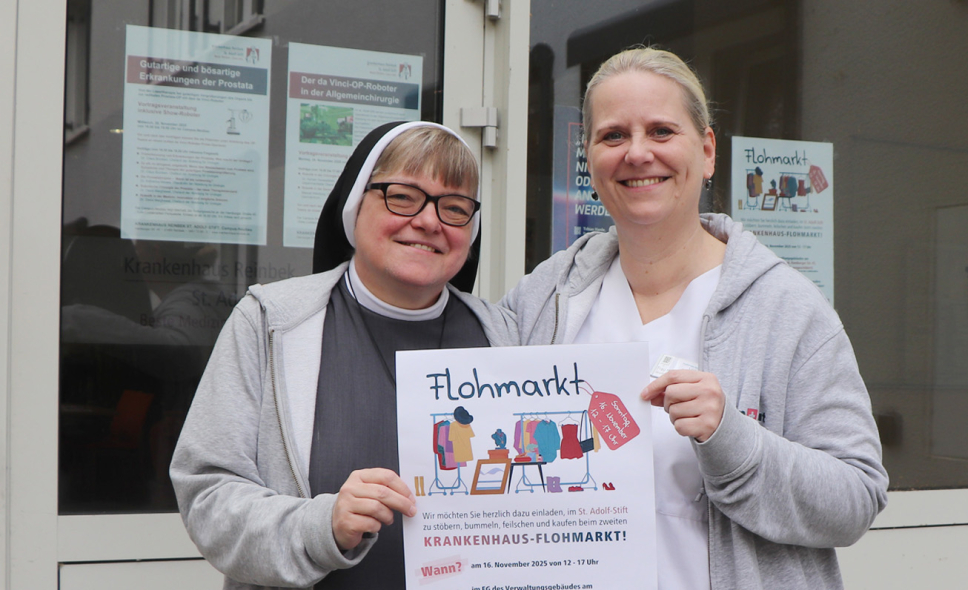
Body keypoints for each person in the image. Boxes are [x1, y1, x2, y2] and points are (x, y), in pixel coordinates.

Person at [500, 48, 888, 590]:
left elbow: (856, 499)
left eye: (661, 131)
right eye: (613, 136)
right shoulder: (544, 298)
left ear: (707, 152)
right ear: (588, 158)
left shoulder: (787, 310)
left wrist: (734, 439)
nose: (638, 153)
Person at [171, 121, 517, 590]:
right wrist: (321, 526)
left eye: (454, 208)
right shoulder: (270, 322)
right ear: (355, 206)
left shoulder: (506, 337)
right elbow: (206, 494)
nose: (430, 221)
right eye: (402, 196)